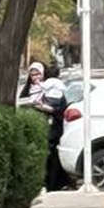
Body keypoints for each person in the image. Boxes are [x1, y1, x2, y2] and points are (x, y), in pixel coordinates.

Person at [36, 64, 71, 192]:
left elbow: (51, 107)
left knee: (51, 157)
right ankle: (59, 183)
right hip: (57, 128)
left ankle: (53, 183)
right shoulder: (59, 89)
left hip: (52, 129)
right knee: (54, 157)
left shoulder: (50, 89)